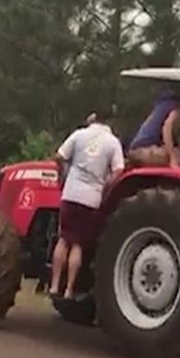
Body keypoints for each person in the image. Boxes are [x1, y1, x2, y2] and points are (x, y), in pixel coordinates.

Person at [50, 106, 124, 300]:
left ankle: (55, 285)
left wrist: (62, 176)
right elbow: (118, 171)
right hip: (91, 199)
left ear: (94, 117)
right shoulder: (113, 142)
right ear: (110, 121)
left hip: (70, 193)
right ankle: (69, 290)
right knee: (78, 245)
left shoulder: (79, 135)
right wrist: (105, 185)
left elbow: (59, 157)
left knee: (64, 239)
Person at [127, 88, 180, 168]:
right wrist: (172, 159)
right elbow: (166, 129)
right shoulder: (176, 109)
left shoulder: (162, 107)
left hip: (137, 150)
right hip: (145, 150)